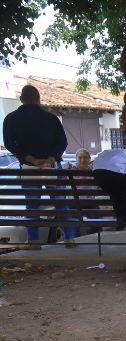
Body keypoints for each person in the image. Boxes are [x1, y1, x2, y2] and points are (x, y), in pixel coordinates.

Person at [2, 84, 74, 249]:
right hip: (52, 166)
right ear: (38, 98)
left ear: (21, 99)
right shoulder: (51, 118)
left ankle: (33, 241)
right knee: (60, 202)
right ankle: (69, 238)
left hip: (28, 167)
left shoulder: (11, 119)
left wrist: (31, 159)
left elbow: (9, 143)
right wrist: (50, 158)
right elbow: (63, 142)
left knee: (32, 204)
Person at [91, 148, 126, 228]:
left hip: (98, 174)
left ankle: (121, 218)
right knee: (124, 191)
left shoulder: (120, 153)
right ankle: (125, 218)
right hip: (116, 173)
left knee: (116, 193)